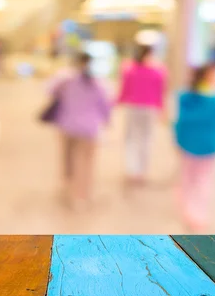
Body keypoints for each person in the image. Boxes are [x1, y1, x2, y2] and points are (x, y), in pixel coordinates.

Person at [173, 63, 215, 233]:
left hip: (188, 143)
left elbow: (180, 120)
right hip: (207, 145)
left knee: (188, 176)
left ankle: (188, 208)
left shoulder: (185, 96)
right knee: (202, 180)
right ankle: (197, 214)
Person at [48, 52, 111, 211]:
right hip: (89, 129)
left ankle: (69, 189)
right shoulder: (98, 83)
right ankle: (82, 195)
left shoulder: (66, 80)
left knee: (69, 159)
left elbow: (49, 91)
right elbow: (105, 106)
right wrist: (107, 122)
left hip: (67, 126)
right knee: (86, 164)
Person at [117, 44, 167, 187]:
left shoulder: (130, 69)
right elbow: (160, 92)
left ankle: (132, 169)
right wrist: (162, 109)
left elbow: (124, 88)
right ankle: (141, 170)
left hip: (134, 107)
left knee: (132, 138)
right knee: (145, 138)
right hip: (149, 108)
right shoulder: (158, 71)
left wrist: (119, 101)